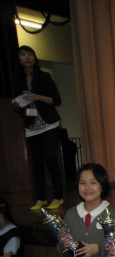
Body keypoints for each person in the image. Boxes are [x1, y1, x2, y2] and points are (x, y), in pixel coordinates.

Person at [12, 46, 64, 211]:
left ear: (34, 58)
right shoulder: (17, 80)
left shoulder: (44, 77)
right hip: (31, 126)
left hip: (49, 124)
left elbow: (56, 100)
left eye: (30, 54)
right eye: (23, 55)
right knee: (37, 164)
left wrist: (37, 97)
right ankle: (41, 198)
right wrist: (16, 104)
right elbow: (19, 106)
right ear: (19, 59)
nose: (27, 58)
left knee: (50, 159)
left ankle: (58, 196)